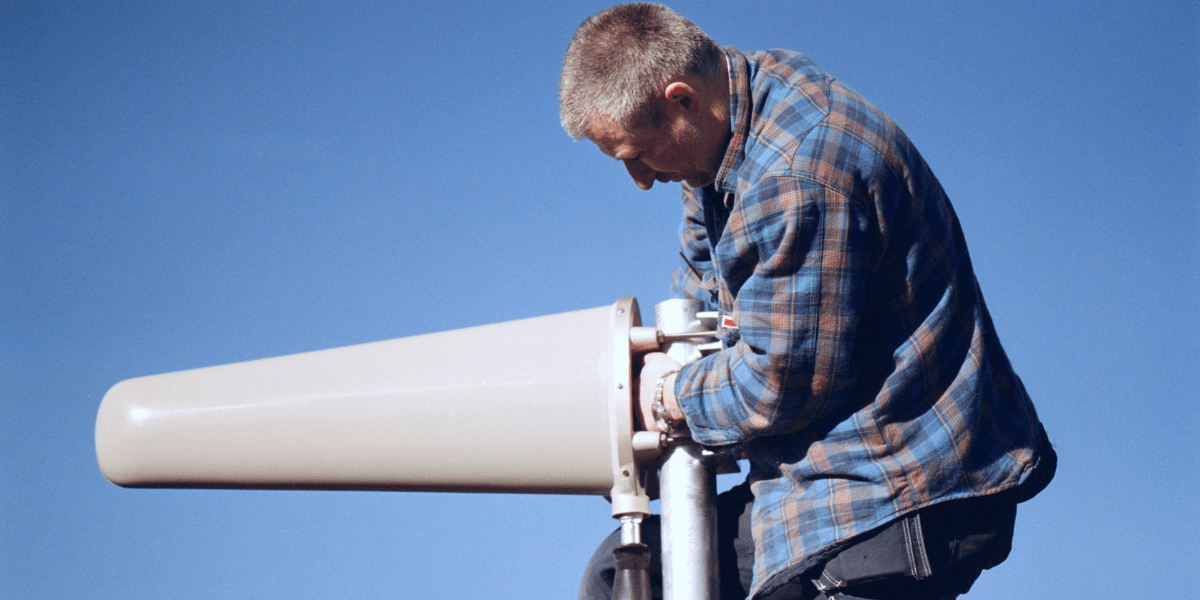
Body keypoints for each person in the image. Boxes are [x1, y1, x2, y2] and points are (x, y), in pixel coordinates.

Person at [560, 4, 1056, 600]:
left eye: (637, 154)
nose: (639, 179)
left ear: (682, 99)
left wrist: (666, 399)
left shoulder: (796, 174)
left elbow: (780, 385)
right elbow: (702, 312)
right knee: (624, 578)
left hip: (892, 487)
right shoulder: (732, 132)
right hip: (812, 478)